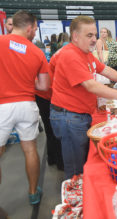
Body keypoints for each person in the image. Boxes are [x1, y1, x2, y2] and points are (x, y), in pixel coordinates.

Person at [49, 16, 117, 180]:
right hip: (69, 116)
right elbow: (91, 86)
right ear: (75, 36)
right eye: (89, 35)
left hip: (78, 114)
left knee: (80, 159)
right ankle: (76, 198)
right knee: (76, 168)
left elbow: (105, 69)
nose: (94, 39)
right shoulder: (70, 55)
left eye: (95, 35)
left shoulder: (85, 53)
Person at [0, 10, 50, 204]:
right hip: (27, 105)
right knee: (30, 149)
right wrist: (28, 82)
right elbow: (44, 86)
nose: (35, 32)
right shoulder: (37, 52)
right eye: (35, 29)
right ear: (29, 28)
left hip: (2, 105)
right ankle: (33, 193)